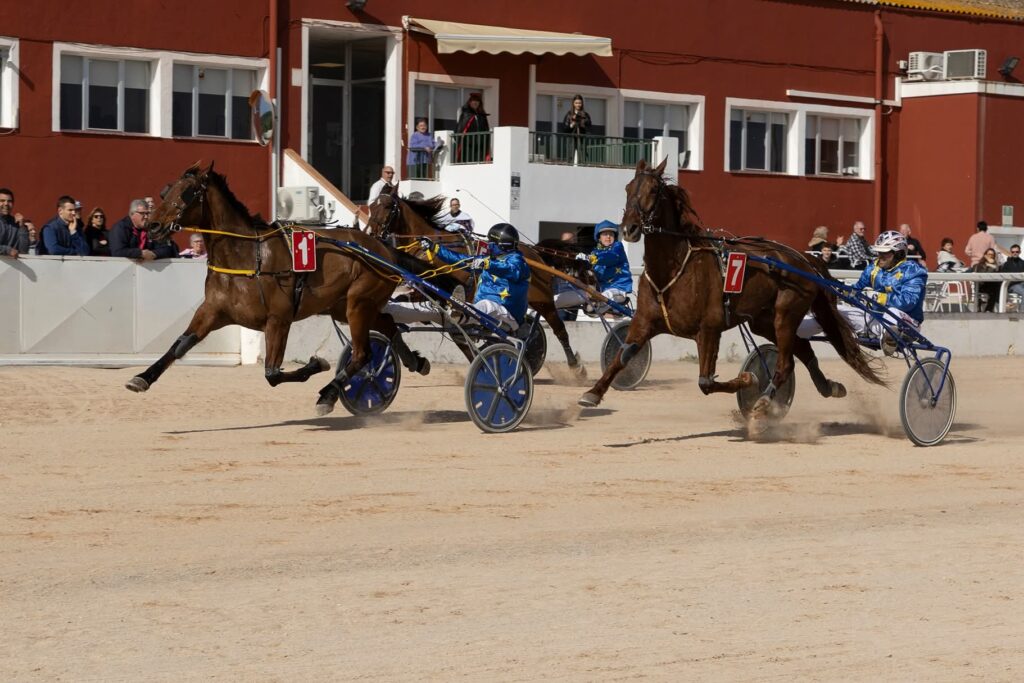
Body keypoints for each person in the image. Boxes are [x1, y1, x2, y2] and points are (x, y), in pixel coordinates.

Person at [383, 223, 530, 331]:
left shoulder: (517, 262)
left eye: (491, 244)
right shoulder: (490, 260)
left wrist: (486, 264)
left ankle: (461, 313)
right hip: (479, 314)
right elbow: (459, 260)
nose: (488, 246)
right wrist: (435, 248)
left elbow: (510, 270)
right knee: (435, 308)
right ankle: (390, 311)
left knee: (487, 305)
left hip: (508, 315)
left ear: (500, 245)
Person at [798, 231, 927, 347]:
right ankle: (796, 331)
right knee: (831, 311)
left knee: (893, 311)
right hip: (875, 321)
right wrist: (838, 287)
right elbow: (856, 291)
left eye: (885, 252)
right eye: (878, 252)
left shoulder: (914, 271)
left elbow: (908, 301)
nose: (879, 256)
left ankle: (890, 339)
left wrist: (876, 297)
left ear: (898, 253)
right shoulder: (873, 268)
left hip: (907, 325)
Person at [554, 220, 633, 315]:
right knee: (557, 300)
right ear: (599, 238)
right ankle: (545, 304)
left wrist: (590, 258)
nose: (608, 237)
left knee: (598, 301)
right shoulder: (595, 252)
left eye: (611, 234)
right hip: (597, 292)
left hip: (618, 289)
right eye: (605, 234)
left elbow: (609, 257)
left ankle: (597, 307)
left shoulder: (617, 247)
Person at [109, 198, 177, 260]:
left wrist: (153, 254)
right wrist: (140, 253)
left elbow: (166, 249)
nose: (146, 217)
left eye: (147, 213)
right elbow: (118, 251)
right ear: (132, 214)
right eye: (142, 213)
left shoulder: (152, 228)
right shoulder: (121, 228)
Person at [455, 92, 490, 162]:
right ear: (470, 102)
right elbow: (460, 129)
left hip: (480, 147)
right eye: (473, 101)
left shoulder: (482, 116)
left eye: (477, 101)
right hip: (468, 147)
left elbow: (486, 130)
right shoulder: (465, 114)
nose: (475, 103)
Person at [0, 187, 29, 258]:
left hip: (12, 268)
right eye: (2, 200)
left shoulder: (16, 223)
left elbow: (24, 250)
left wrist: (22, 226)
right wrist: (7, 250)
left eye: (9, 201)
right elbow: (10, 251)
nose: (6, 203)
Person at [562, 94, 592, 163]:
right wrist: (572, 124)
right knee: (570, 159)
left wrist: (582, 123)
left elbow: (590, 128)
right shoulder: (569, 114)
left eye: (580, 103)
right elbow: (564, 129)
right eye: (576, 103)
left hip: (582, 140)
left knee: (583, 159)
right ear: (573, 103)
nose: (578, 105)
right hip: (571, 140)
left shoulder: (586, 115)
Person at [970, 248, 1000, 312]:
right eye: (989, 254)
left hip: (990, 285)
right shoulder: (980, 265)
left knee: (996, 288)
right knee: (995, 289)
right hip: (981, 285)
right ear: (985, 255)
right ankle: (987, 308)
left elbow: (998, 272)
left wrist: (991, 265)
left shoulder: (996, 265)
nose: (990, 256)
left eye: (992, 255)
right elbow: (984, 276)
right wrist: (990, 265)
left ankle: (988, 309)